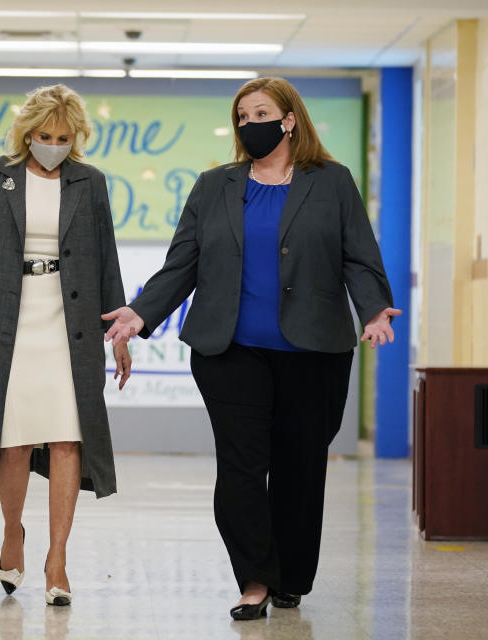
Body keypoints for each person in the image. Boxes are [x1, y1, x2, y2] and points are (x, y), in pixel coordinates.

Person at [103, 77, 401, 620]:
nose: (248, 124)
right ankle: (255, 579)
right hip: (230, 349)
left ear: (289, 119)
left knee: (299, 467)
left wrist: (375, 308)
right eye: (241, 117)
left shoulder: (331, 182)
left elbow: (358, 254)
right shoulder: (214, 185)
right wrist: (141, 311)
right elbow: (183, 263)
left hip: (313, 351)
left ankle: (291, 577)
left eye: (259, 113)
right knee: (241, 468)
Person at [0, 84, 131, 606]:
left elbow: (106, 258)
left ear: (77, 138)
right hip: (9, 320)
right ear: (27, 133)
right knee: (15, 441)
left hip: (70, 324)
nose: (53, 144)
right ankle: (11, 532)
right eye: (44, 135)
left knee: (69, 439)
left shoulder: (91, 183)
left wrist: (118, 332)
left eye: (63, 137)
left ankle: (58, 558)